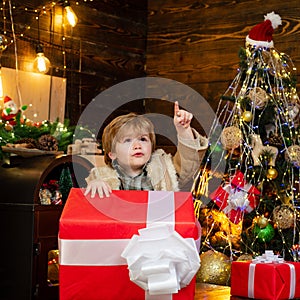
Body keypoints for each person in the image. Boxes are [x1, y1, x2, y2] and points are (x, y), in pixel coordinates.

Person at [84, 101, 208, 198]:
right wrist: (95, 185)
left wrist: (183, 130)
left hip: (157, 228)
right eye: (127, 140)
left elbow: (188, 163)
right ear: (112, 154)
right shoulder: (101, 176)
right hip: (119, 229)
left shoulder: (165, 169)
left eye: (143, 139)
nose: (137, 145)